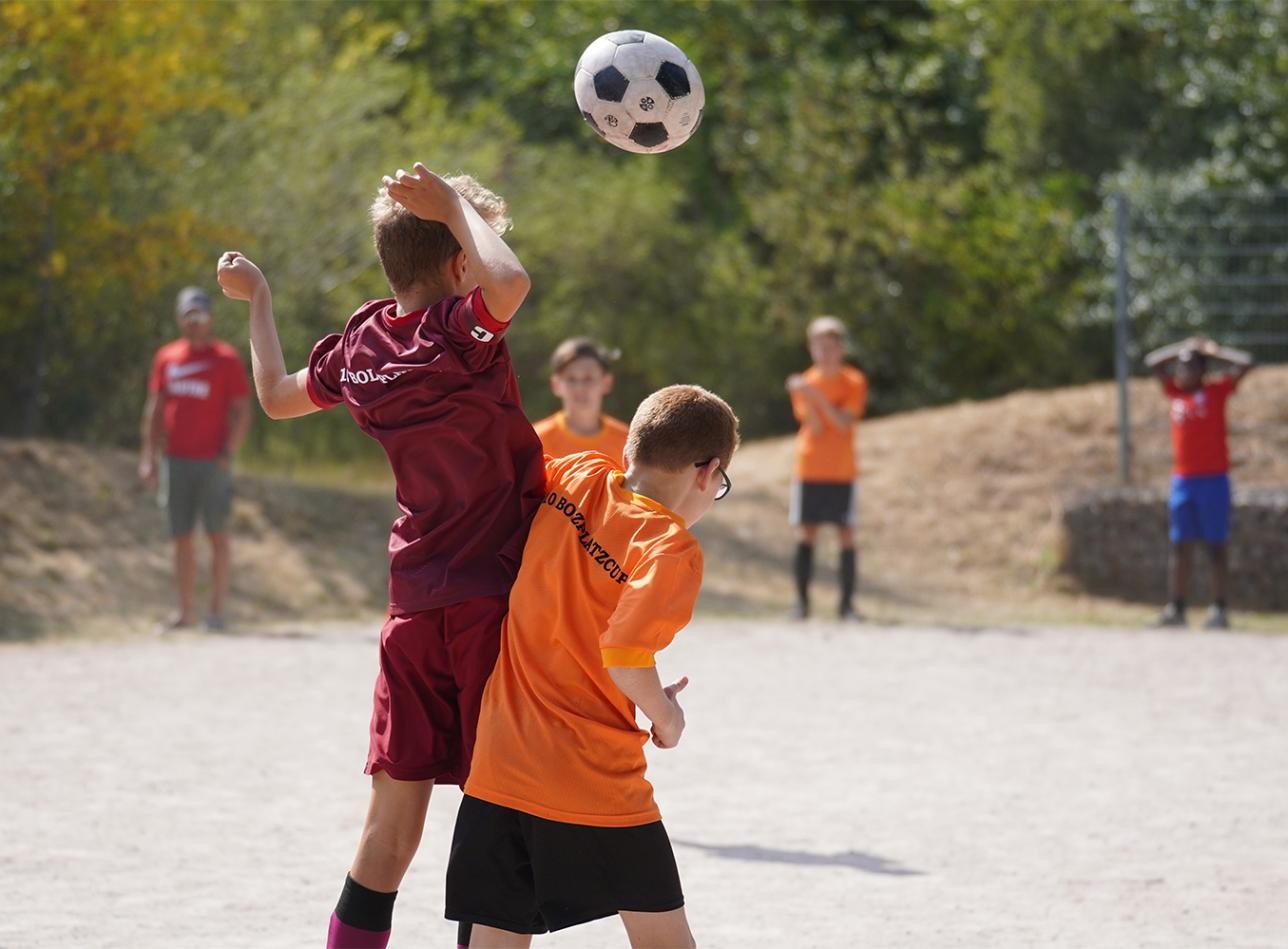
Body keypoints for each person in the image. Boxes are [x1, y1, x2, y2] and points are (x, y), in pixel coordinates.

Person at [215, 163, 544, 949]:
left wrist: (260, 300)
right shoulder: (459, 332)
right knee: (503, 820)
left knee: (388, 835)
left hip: (413, 605)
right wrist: (459, 205)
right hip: (491, 603)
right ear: (461, 260)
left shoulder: (362, 342)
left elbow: (275, 395)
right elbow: (514, 284)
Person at [446, 384, 739, 948]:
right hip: (592, 777)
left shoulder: (577, 474)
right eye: (719, 486)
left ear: (630, 448)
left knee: (496, 940)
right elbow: (626, 658)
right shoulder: (669, 547)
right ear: (707, 473)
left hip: (501, 761)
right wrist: (667, 718)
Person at [139, 286, 252, 632]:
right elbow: (155, 409)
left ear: (210, 318)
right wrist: (149, 457)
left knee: (217, 536)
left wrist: (228, 451)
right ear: (180, 318)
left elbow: (243, 410)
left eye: (200, 314)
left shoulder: (226, 359)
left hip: (212, 463)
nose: (194, 320)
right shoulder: (167, 358)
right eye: (188, 314)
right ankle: (184, 613)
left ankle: (215, 613)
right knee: (181, 538)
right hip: (176, 461)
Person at [1144, 335, 1254, 629]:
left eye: (1191, 367)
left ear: (1203, 371)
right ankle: (1176, 608)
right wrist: (1182, 346)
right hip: (1183, 480)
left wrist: (1212, 352)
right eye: (1181, 368)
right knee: (1180, 545)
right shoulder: (1175, 393)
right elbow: (1152, 362)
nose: (1184, 373)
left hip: (1213, 480)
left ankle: (1219, 608)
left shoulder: (1216, 391)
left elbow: (1245, 363)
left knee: (1216, 546)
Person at [784, 315, 869, 621]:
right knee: (806, 533)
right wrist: (807, 395)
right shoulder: (805, 381)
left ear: (841, 348)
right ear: (811, 348)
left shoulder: (853, 381)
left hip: (842, 469)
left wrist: (814, 395)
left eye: (831, 346)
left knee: (846, 533)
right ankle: (801, 605)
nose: (825, 353)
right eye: (819, 346)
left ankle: (846, 606)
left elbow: (843, 422)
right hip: (810, 467)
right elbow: (817, 427)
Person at [531, 336, 629, 465]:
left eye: (588, 378)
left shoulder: (627, 443)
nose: (580, 388)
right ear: (556, 385)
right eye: (571, 379)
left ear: (607, 383)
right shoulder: (536, 441)